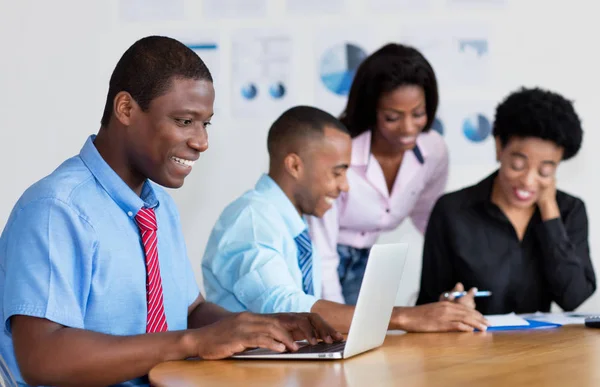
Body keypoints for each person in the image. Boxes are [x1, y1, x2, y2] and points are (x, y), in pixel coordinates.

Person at [0, 36, 341, 387]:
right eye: (184, 121)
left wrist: (259, 326)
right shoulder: (56, 210)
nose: (201, 141)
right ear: (126, 109)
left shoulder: (158, 206)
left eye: (205, 123)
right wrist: (189, 343)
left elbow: (188, 312)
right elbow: (40, 358)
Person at [202, 105, 488, 334]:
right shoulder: (252, 221)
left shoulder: (291, 222)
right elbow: (286, 307)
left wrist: (432, 316)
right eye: (337, 172)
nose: (345, 186)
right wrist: (406, 317)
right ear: (294, 165)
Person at [307, 43, 463, 306]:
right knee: (332, 336)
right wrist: (332, 312)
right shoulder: (339, 150)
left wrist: (459, 268)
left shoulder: (433, 150)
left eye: (419, 114)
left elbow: (429, 218)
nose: (408, 128)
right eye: (393, 117)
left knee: (367, 339)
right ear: (372, 110)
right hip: (320, 257)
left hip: (366, 259)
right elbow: (321, 249)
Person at [416, 87, 597, 315]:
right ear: (499, 147)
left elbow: (574, 297)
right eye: (518, 165)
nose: (528, 181)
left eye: (545, 171)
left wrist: (549, 211)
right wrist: (448, 306)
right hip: (471, 347)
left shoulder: (570, 210)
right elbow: (426, 303)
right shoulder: (452, 211)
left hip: (542, 348)